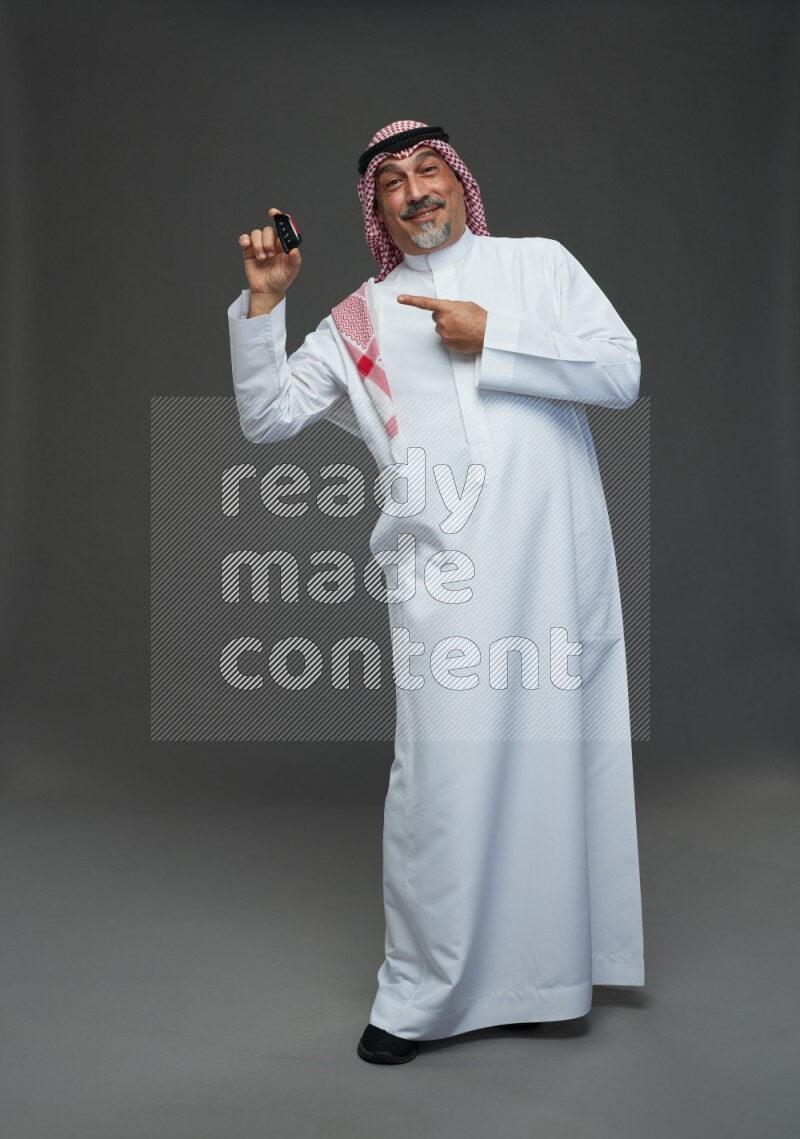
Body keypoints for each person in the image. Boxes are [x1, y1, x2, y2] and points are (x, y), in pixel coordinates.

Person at [227, 120, 645, 1065]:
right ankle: (417, 995)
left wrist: (495, 337)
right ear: (374, 211)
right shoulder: (359, 321)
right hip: (443, 575)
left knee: (549, 767)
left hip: (552, 561)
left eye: (429, 172)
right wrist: (264, 306)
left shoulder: (537, 267)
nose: (416, 192)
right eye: (393, 185)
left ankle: (546, 980)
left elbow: (620, 373)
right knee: (441, 782)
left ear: (460, 181)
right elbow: (268, 419)